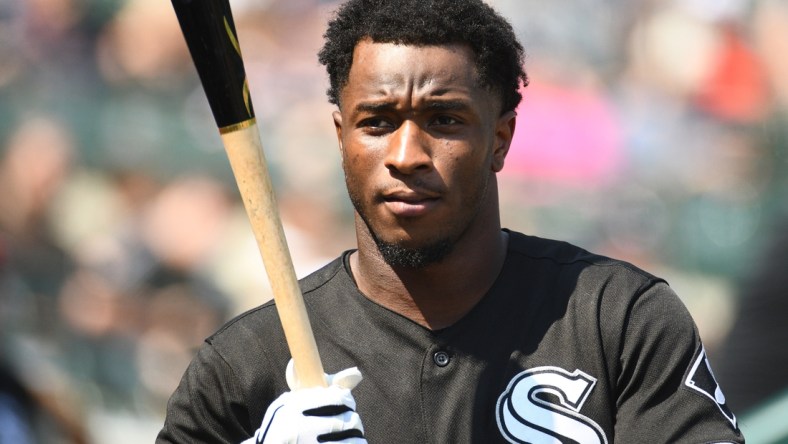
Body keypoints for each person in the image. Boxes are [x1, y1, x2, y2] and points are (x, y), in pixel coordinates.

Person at [157, 0, 745, 442]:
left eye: (444, 121)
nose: (406, 154)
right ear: (341, 138)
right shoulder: (244, 368)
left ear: (501, 138)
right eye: (377, 122)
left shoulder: (616, 320)